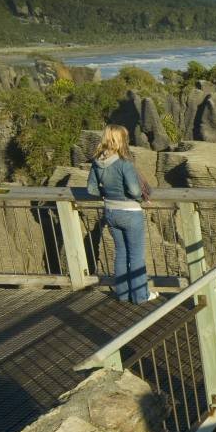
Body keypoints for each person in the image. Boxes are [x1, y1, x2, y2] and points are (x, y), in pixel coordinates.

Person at [87, 124, 157, 303]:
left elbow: (92, 190)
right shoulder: (124, 162)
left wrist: (108, 195)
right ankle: (141, 296)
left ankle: (123, 295)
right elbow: (134, 191)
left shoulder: (97, 161)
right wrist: (138, 197)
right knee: (136, 255)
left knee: (121, 253)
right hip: (130, 213)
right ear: (120, 140)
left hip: (111, 212)